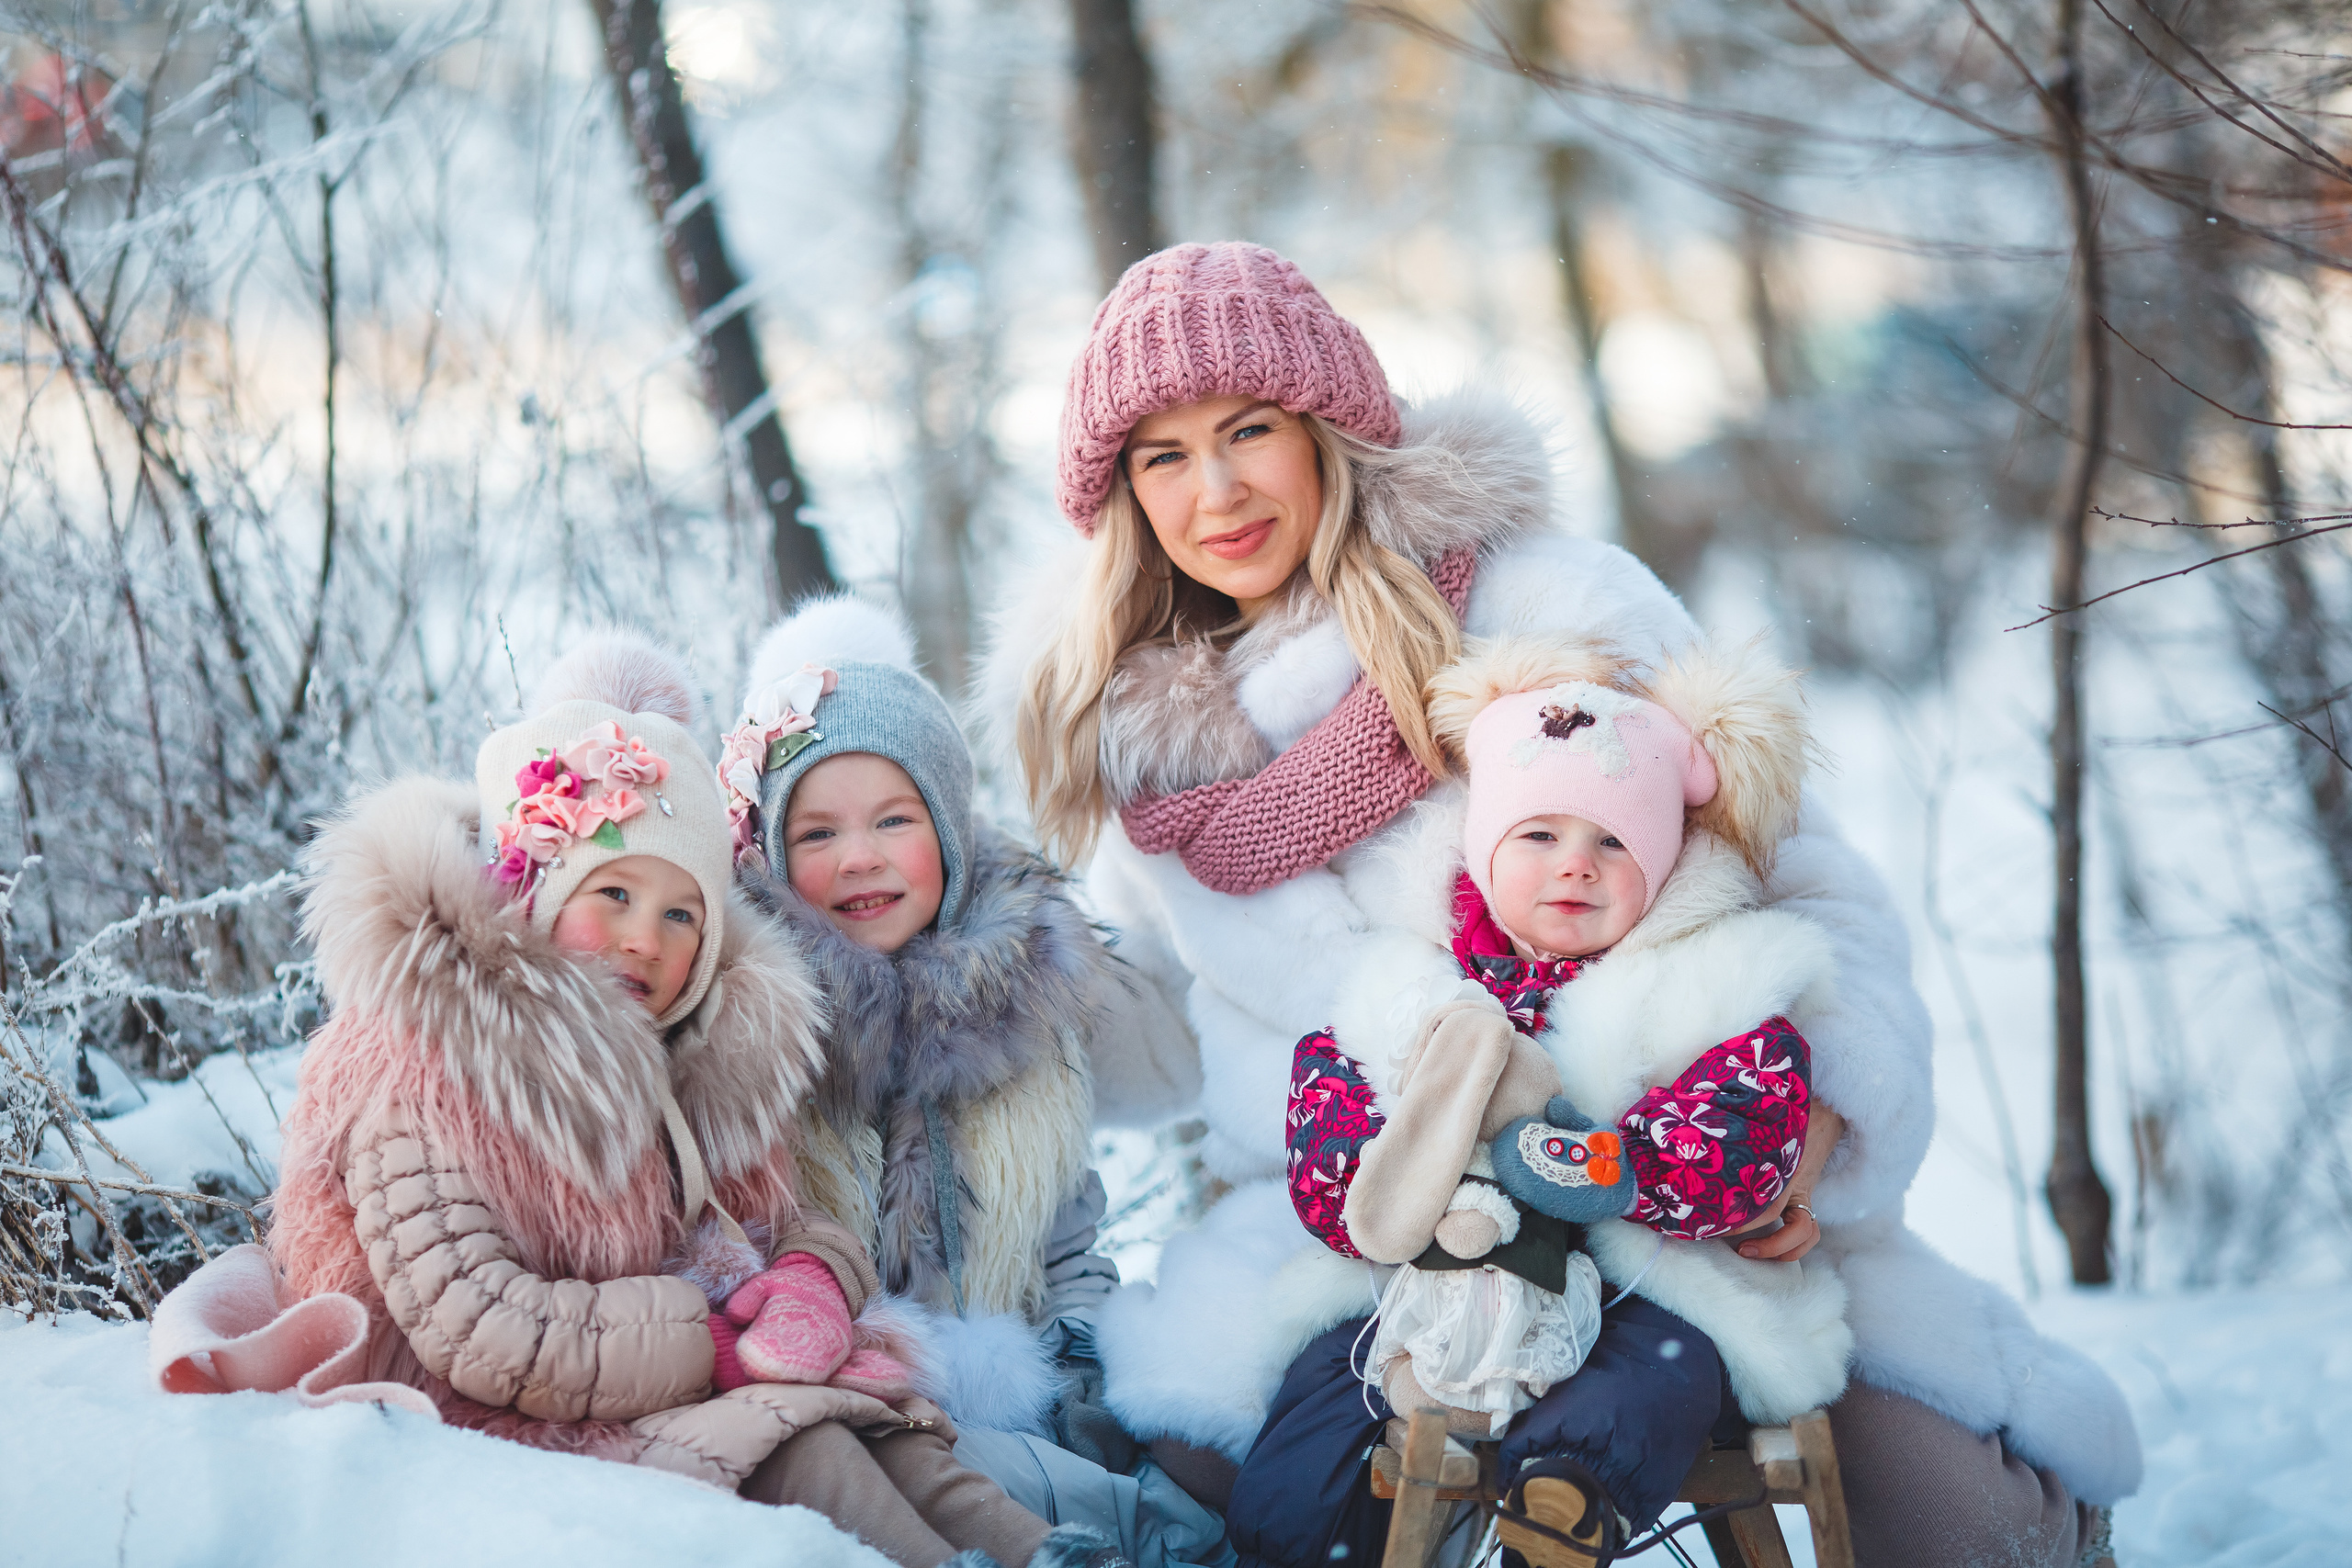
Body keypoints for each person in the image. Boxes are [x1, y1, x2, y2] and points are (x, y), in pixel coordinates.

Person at [986, 241, 2138, 1568]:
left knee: (1965, 1527)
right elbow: (1161, 1042)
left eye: (1250, 430)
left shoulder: (1548, 600)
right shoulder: (1156, 761)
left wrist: (1814, 1127)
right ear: (1125, 496)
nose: (1219, 488)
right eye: (1164, 455)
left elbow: (1810, 880)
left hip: (1660, 1177)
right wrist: (979, 953)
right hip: (1380, 1222)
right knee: (1205, 1496)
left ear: (1328, 431)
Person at [237, 633, 1095, 1568]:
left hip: (637, 1375)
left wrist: (811, 1279)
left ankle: (1050, 1552)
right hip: (484, 1411)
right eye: (612, 893)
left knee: (886, 1426)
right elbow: (477, 1327)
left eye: (680, 912)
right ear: (532, 888)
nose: (643, 938)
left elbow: (780, 1215)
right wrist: (711, 1341)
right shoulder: (426, 1067)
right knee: (805, 1445)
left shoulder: (678, 1060)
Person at [1270, 634, 1848, 1566]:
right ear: (1483, 849)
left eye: (1612, 842)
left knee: (1665, 1366)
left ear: (1659, 865)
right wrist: (1386, 1180)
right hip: (1431, 1283)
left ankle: (1564, 1502)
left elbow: (1749, 1122)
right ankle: (1297, 1533)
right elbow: (1332, 1101)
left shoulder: (1710, 983)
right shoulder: (1410, 986)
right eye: (1538, 835)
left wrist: (1621, 1166)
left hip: (1636, 1278)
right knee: (1332, 1384)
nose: (1573, 865)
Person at [718, 598, 1228, 1568]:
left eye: (893, 820)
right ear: (776, 855)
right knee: (1029, 1490)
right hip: (861, 1401)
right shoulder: (763, 1035)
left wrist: (1079, 1338)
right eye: (818, 834)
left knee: (1212, 1449)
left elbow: (1067, 1233)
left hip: (1026, 1372)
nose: (859, 856)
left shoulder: (1026, 1011)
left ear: (948, 830)